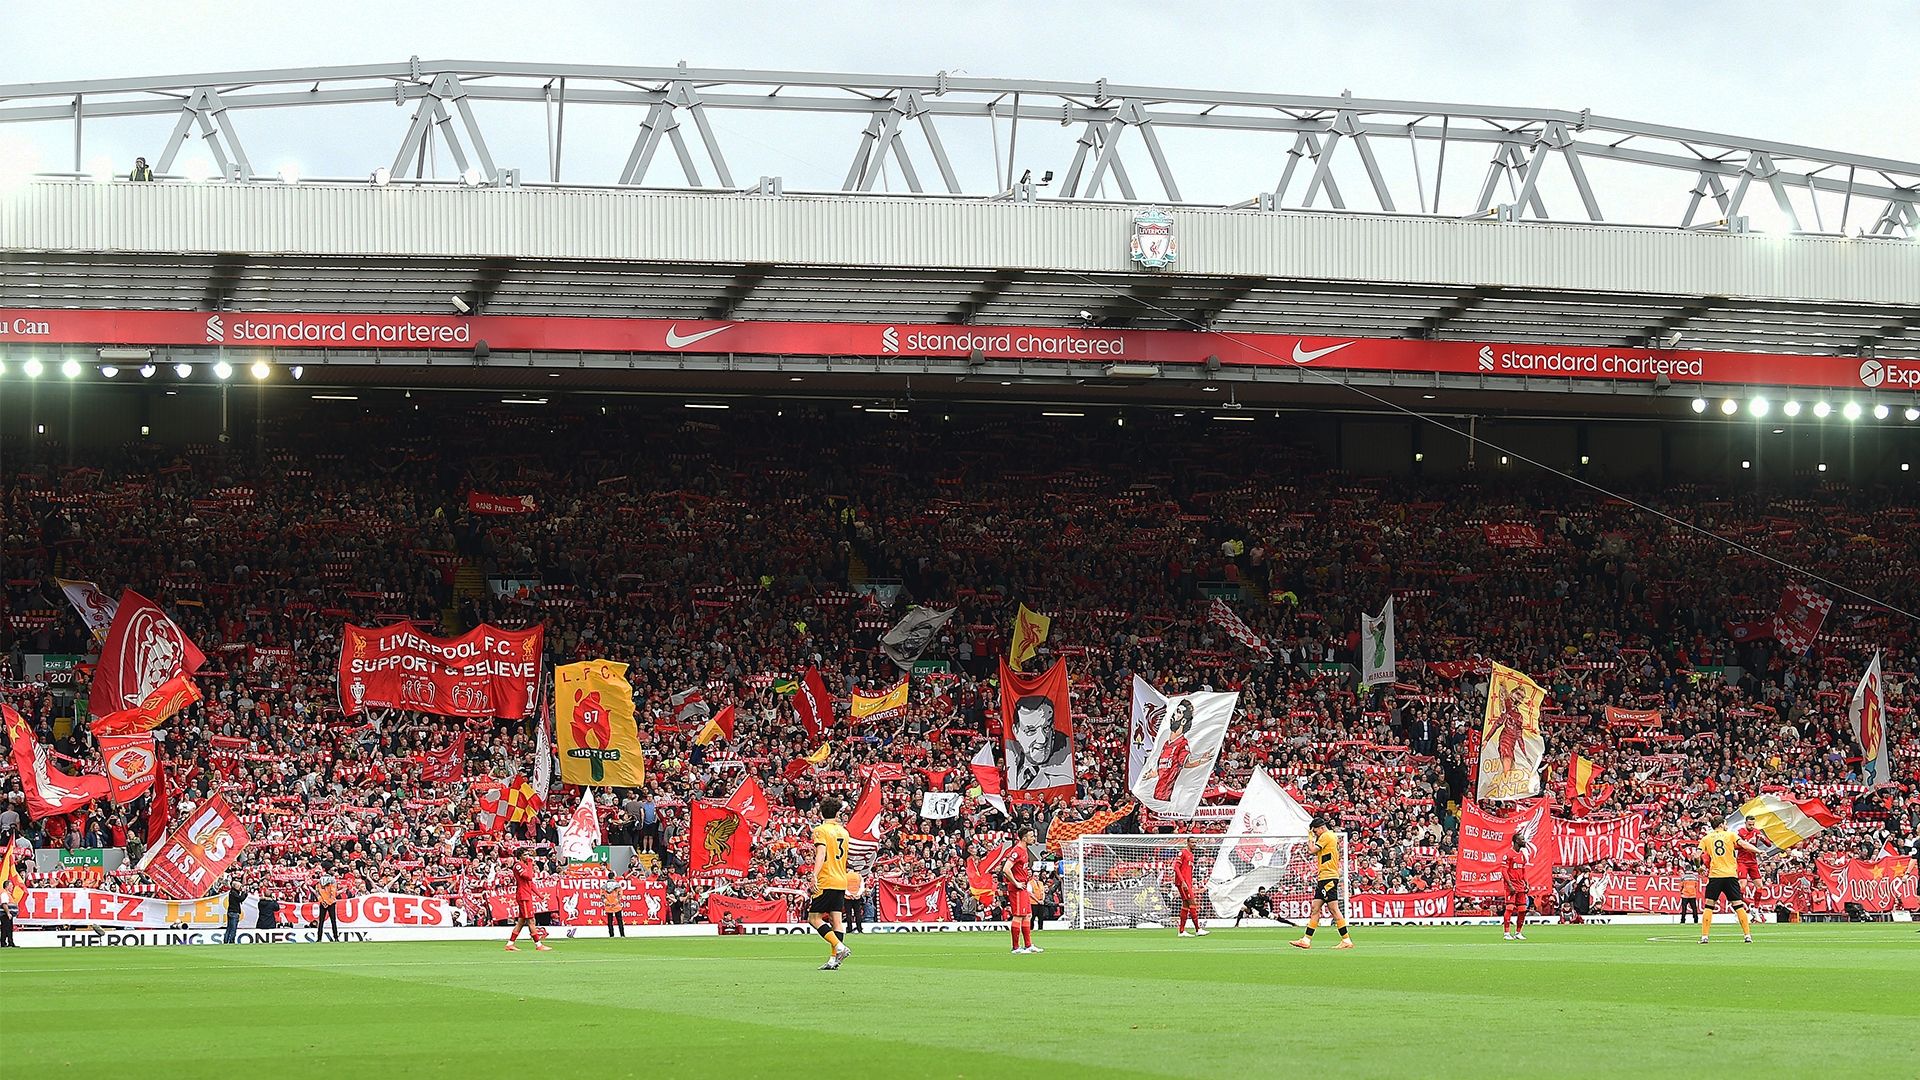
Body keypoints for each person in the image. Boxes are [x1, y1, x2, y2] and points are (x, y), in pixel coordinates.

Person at [1290, 817, 1352, 950]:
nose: (1315, 833)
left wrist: (1310, 838)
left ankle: (1346, 939)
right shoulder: (1328, 836)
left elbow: (1311, 850)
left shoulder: (1326, 835)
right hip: (1324, 877)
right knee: (1315, 909)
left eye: (1315, 831)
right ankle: (1306, 940)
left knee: (1334, 909)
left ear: (1321, 827)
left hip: (1328, 877)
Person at [807, 797, 853, 970]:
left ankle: (840, 947)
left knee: (814, 918)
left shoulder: (820, 830)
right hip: (841, 879)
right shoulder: (844, 832)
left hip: (827, 879)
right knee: (836, 920)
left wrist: (814, 875)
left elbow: (821, 854)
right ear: (837, 813)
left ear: (821, 812)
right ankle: (834, 960)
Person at [1699, 818, 1761, 944]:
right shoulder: (1731, 835)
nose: (1727, 826)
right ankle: (1747, 935)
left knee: (1709, 906)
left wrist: (1697, 867)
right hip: (1730, 876)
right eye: (1725, 824)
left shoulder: (1706, 838)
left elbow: (1696, 855)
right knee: (1738, 905)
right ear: (1721, 824)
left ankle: (1705, 937)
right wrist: (1758, 851)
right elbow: (1744, 845)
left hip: (1715, 876)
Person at [1006, 696, 1073, 792]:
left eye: (1046, 728)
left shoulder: (1064, 779)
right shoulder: (1010, 763)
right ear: (1015, 731)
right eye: (1031, 730)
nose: (1042, 740)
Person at [1003, 826, 1043, 954]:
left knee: (1028, 915)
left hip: (1024, 887)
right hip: (1017, 888)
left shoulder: (1024, 850)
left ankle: (1028, 945)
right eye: (1031, 836)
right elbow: (1006, 869)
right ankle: (1015, 947)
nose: (1033, 838)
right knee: (1018, 916)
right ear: (1024, 838)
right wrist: (1016, 882)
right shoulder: (1017, 850)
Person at [505, 848, 551, 952]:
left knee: (521, 922)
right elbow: (529, 877)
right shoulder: (518, 866)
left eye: (528, 854)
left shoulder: (524, 866)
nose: (528, 856)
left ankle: (510, 944)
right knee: (531, 920)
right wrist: (530, 864)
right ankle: (538, 945)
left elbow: (530, 883)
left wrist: (539, 895)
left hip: (527, 895)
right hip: (523, 896)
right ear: (520, 856)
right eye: (525, 854)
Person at [1173, 835, 1205, 937]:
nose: (1194, 844)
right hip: (1183, 883)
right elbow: (1176, 867)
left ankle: (1181, 931)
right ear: (1187, 843)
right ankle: (1198, 929)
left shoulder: (1191, 855)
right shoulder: (1183, 852)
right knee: (1193, 904)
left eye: (1195, 842)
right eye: (1192, 842)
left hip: (1188, 883)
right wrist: (1183, 882)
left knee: (1186, 906)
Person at [1500, 833, 1530, 941]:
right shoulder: (1508, 854)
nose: (1524, 841)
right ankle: (1506, 933)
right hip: (1511, 887)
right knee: (1509, 908)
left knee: (1522, 910)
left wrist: (1527, 883)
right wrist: (1510, 885)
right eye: (1522, 839)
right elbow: (1504, 871)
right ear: (1516, 841)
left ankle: (1518, 932)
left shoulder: (1522, 855)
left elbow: (1523, 870)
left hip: (1520, 886)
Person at [315, 874, 342, 943]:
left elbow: (333, 894)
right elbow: (318, 894)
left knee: (333, 921)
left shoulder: (332, 884)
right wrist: (323, 902)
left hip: (330, 903)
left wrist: (326, 902)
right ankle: (319, 938)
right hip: (324, 903)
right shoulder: (319, 885)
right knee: (321, 921)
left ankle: (336, 937)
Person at [223, 876, 246, 944]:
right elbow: (240, 899)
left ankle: (226, 940)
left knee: (229, 928)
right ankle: (231, 941)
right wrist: (244, 893)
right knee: (233, 929)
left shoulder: (232, 892)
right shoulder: (234, 893)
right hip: (234, 912)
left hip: (231, 912)